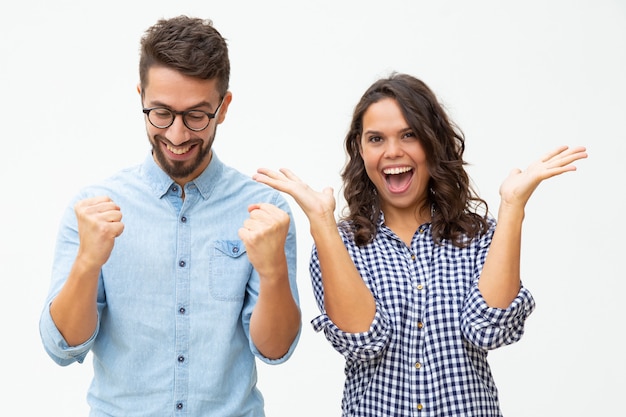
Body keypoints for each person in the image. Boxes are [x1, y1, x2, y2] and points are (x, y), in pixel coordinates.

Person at [252, 73, 587, 416]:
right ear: (360, 149)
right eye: (376, 139)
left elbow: (489, 331)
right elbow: (364, 341)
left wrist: (513, 207)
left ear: (433, 142)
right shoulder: (342, 245)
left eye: (409, 135)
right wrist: (322, 224)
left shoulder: (479, 235)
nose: (393, 151)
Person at [39, 16, 301, 417]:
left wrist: (273, 273)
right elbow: (62, 347)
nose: (177, 136)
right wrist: (88, 263)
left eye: (197, 116)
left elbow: (275, 350)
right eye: (161, 113)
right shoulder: (93, 208)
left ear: (224, 107)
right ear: (141, 96)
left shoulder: (265, 211)